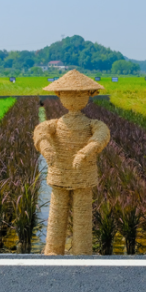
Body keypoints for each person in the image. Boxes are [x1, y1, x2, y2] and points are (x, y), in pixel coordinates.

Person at [33, 70, 110, 255]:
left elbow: (102, 135)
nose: (74, 99)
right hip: (60, 174)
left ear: (88, 96)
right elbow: (41, 131)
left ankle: (82, 251)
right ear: (60, 95)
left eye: (79, 95)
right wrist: (46, 148)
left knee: (83, 215)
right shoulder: (56, 124)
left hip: (83, 176)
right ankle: (53, 250)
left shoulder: (92, 124)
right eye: (69, 95)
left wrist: (86, 151)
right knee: (57, 214)